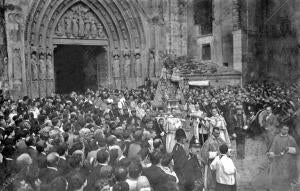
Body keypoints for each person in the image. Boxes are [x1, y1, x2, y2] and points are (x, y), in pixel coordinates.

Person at [267, 125, 298, 191]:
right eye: (284, 129)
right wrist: (271, 153)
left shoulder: (291, 139)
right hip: (277, 160)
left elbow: (296, 150)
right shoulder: (276, 138)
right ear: (281, 129)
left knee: (286, 180)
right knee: (275, 179)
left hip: (287, 162)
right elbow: (272, 147)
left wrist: (289, 149)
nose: (285, 131)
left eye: (287, 130)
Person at [201, 127, 227, 191]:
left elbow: (225, 147)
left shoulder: (220, 139)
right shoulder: (208, 142)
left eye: (219, 133)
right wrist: (215, 154)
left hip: (220, 163)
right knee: (212, 181)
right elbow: (204, 154)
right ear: (212, 132)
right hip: (211, 164)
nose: (218, 135)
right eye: (216, 133)